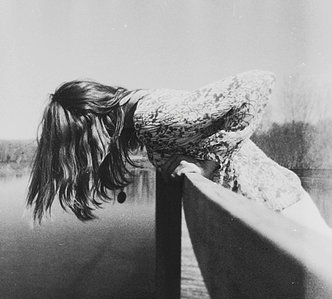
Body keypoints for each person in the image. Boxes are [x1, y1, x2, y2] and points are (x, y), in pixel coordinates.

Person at [26, 70, 330, 233]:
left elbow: (257, 84)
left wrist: (208, 163)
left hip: (280, 210)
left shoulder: (149, 115)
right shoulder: (141, 119)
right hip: (265, 215)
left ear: (88, 126)